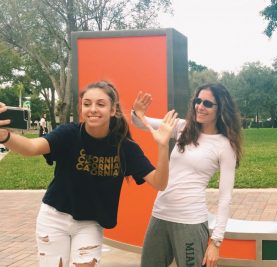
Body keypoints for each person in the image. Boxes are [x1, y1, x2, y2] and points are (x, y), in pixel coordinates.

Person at [0, 80, 178, 267]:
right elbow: (31, 147)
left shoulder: (124, 147)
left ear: (112, 110)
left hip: (90, 223)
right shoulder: (68, 134)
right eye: (87, 104)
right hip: (54, 217)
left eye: (100, 104)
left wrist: (163, 145)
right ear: (81, 108)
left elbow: (160, 183)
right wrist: (5, 137)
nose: (93, 109)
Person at [132, 83, 243, 267]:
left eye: (208, 103)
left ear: (221, 108)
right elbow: (141, 123)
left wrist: (216, 242)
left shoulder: (225, 146)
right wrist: (137, 112)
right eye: (198, 101)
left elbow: (225, 197)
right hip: (160, 214)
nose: (200, 106)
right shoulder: (183, 127)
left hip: (190, 222)